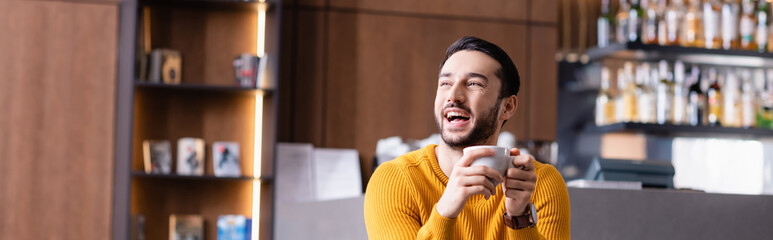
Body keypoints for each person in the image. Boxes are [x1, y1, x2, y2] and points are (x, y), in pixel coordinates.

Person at [363, 36, 571, 239]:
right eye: (445, 83)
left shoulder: (541, 183)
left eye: (473, 84)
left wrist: (519, 219)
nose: (453, 96)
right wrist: (445, 211)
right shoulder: (393, 179)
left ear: (507, 107)